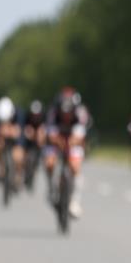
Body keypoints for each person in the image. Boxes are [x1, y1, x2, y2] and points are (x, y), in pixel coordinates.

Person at [44, 87, 90, 218]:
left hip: (72, 138)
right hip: (57, 137)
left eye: (69, 111)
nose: (66, 115)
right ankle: (52, 188)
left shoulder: (80, 113)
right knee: (50, 163)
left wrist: (72, 142)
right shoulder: (53, 112)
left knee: (75, 167)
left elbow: (80, 136)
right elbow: (50, 134)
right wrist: (57, 141)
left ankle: (74, 201)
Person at [0, 96, 23, 189]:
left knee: (18, 156)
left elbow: (18, 132)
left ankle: (18, 175)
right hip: (2, 137)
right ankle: (1, 168)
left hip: (15, 139)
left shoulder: (18, 114)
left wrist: (10, 131)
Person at [20, 99, 46, 191]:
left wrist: (41, 136)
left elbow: (45, 129)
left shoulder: (43, 116)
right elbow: (23, 127)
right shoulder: (27, 116)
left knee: (37, 160)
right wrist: (27, 132)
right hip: (28, 141)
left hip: (38, 140)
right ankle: (24, 172)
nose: (35, 117)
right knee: (24, 156)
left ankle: (33, 173)